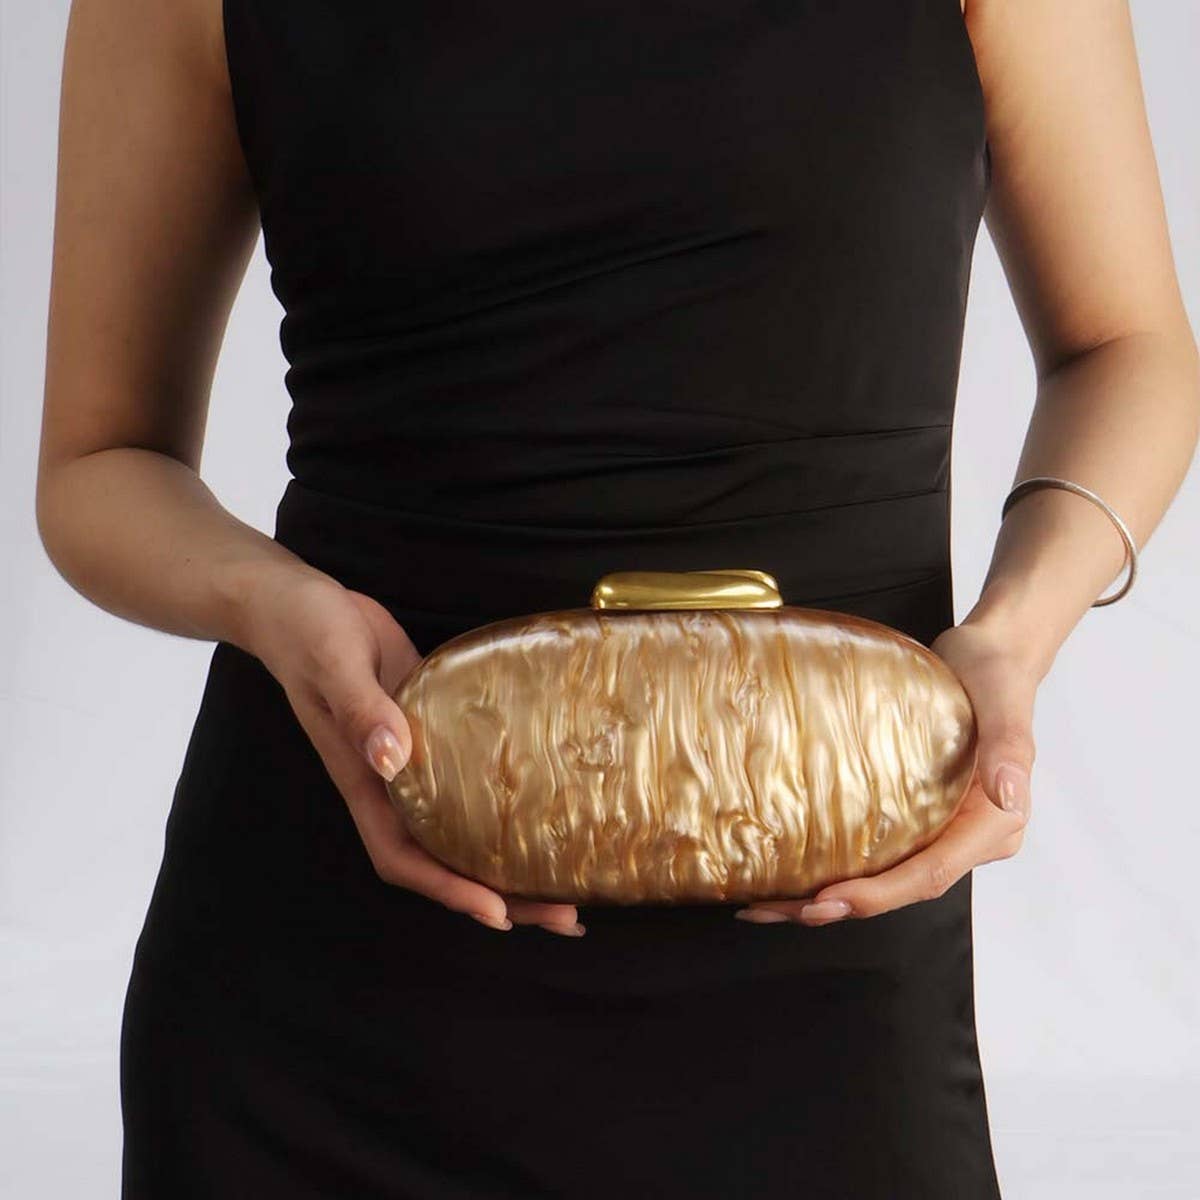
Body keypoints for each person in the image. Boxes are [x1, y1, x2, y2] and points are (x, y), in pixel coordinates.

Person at [36, 0, 1199, 1196]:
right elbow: (100, 460)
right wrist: (270, 605)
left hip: (833, 972)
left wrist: (1015, 634)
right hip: (332, 956)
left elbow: (1127, 346)